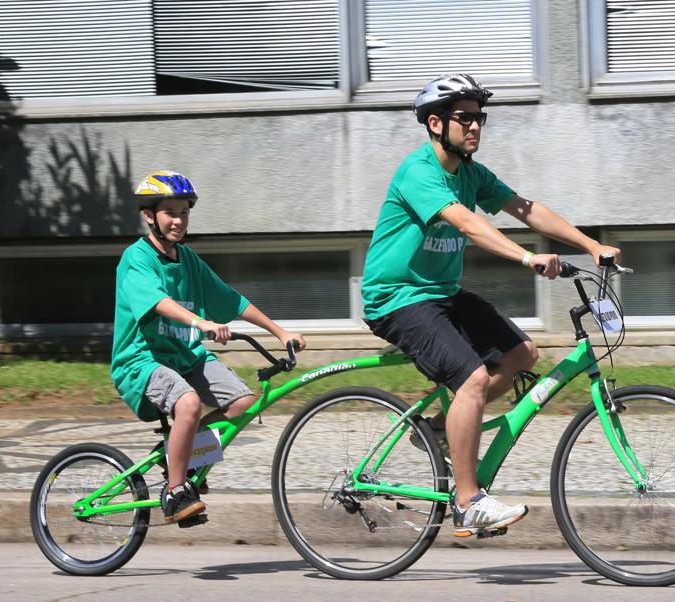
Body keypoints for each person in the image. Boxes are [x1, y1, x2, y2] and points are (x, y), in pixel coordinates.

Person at [360, 74, 621, 537]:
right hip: (396, 298)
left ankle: (440, 429)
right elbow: (466, 224)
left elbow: (525, 208)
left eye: (480, 118)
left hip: (440, 293)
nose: (475, 126)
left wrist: (590, 244)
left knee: (522, 354)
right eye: (465, 118)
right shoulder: (419, 171)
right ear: (436, 124)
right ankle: (468, 503)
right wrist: (526, 257)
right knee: (474, 379)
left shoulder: (472, 174)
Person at [111, 170, 306, 525]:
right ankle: (175, 492)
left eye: (184, 213)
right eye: (170, 213)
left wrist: (279, 332)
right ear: (149, 216)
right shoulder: (136, 258)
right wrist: (200, 323)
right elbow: (157, 301)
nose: (178, 220)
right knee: (188, 404)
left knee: (245, 403)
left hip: (187, 357)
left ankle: (180, 457)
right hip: (141, 361)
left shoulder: (188, 260)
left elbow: (231, 300)